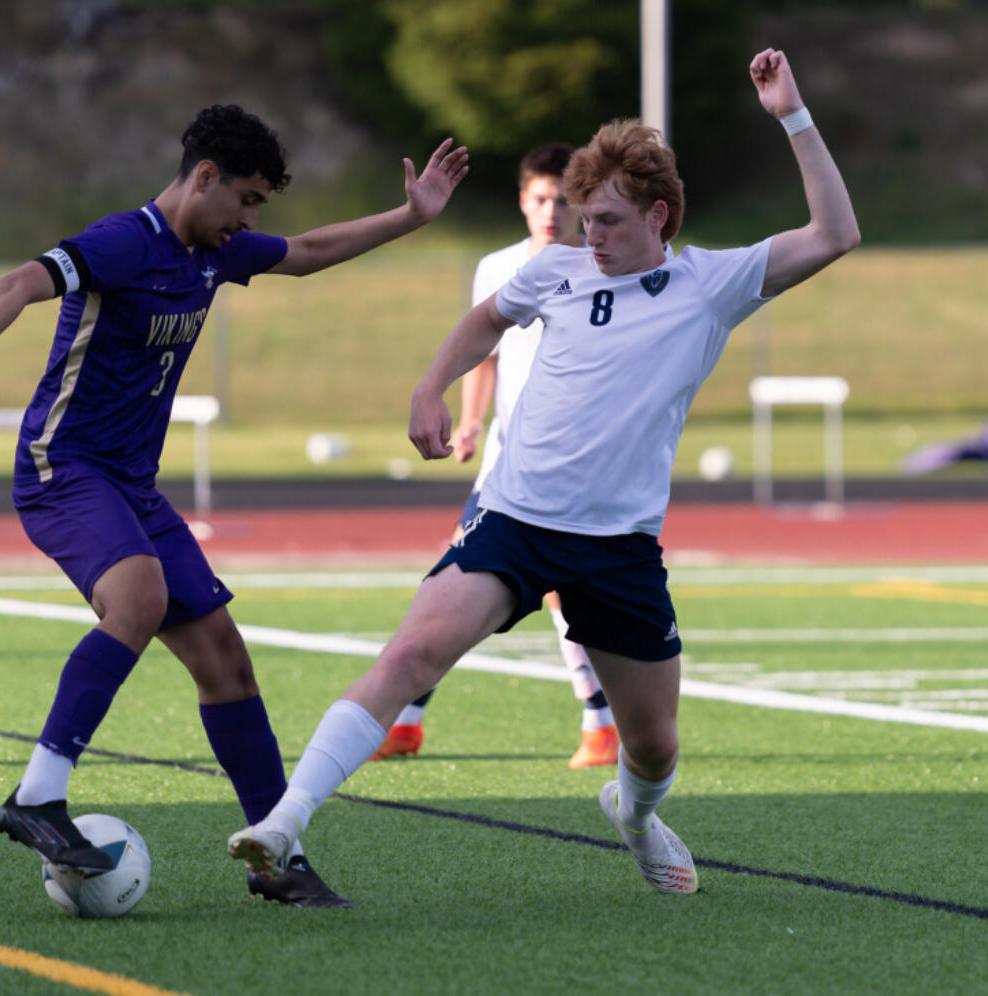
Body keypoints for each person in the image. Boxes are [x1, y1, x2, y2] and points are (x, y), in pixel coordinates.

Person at [228, 49, 859, 897]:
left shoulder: (710, 283)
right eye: (580, 216)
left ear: (659, 215)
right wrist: (430, 385)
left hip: (618, 550)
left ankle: (633, 817)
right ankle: (285, 822)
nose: (585, 235)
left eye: (606, 221)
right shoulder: (553, 270)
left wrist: (792, 115)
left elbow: (836, 234)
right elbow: (485, 321)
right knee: (411, 653)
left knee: (655, 745)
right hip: (515, 524)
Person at [0, 104, 468, 908]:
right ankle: (37, 796)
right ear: (205, 178)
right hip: (62, 467)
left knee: (224, 658)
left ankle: (274, 852)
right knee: (138, 596)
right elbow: (17, 283)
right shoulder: (123, 242)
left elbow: (312, 251)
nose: (249, 220)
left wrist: (412, 216)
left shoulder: (213, 253)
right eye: (245, 200)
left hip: (131, 486)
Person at [371, 143, 622, 769]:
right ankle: (407, 721)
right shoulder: (500, 268)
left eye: (564, 200)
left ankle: (600, 725)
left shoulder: (603, 269)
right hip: (505, 467)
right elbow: (486, 351)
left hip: (572, 470)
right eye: (540, 198)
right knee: (456, 580)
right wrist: (475, 419)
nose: (551, 211)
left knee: (549, 594)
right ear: (522, 201)